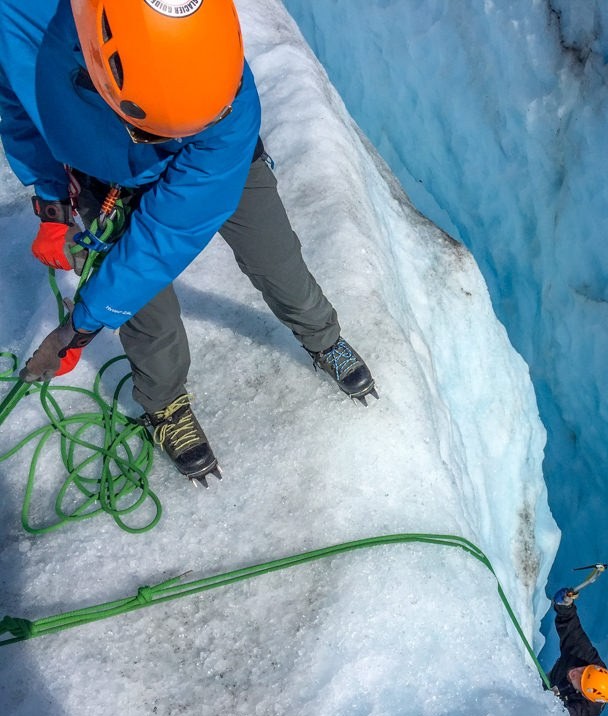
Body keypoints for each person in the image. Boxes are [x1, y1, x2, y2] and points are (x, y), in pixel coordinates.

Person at [0, 0, 377, 486]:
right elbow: (17, 101)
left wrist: (80, 325)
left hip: (217, 162)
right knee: (146, 316)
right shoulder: (20, 16)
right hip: (102, 176)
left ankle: (322, 337)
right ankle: (163, 404)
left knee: (276, 259)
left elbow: (165, 237)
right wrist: (51, 199)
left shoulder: (227, 107)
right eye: (149, 130)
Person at [547, 586, 608, 716]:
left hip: (560, 707)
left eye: (580, 680)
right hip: (552, 680)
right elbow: (573, 631)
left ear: (584, 694)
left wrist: (549, 701)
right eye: (584, 671)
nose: (576, 673)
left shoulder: (586, 710)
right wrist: (565, 607)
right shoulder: (585, 657)